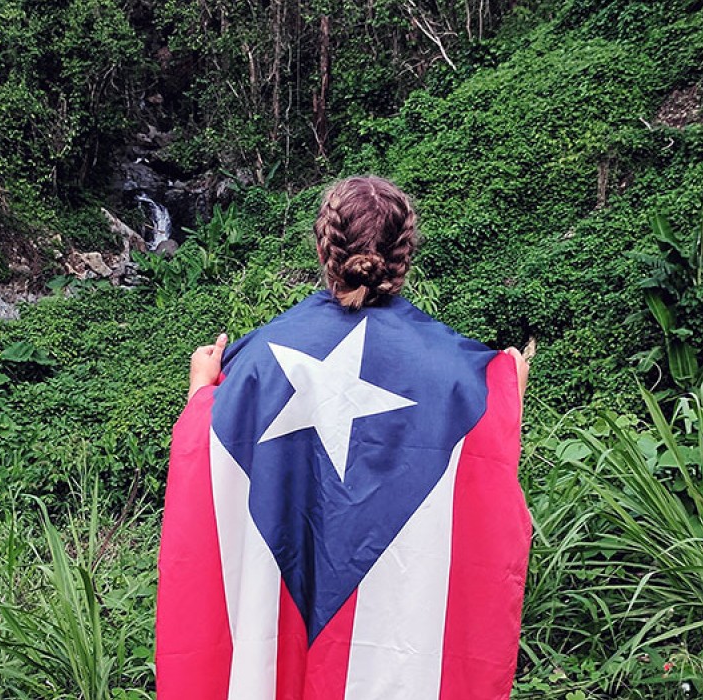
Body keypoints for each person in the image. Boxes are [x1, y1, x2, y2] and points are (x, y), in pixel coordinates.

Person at [156, 176, 533, 700]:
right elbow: (488, 460)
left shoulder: (257, 364)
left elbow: (206, 462)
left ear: (322, 248)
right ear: (404, 256)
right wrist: (508, 381)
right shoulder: (457, 376)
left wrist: (201, 391)